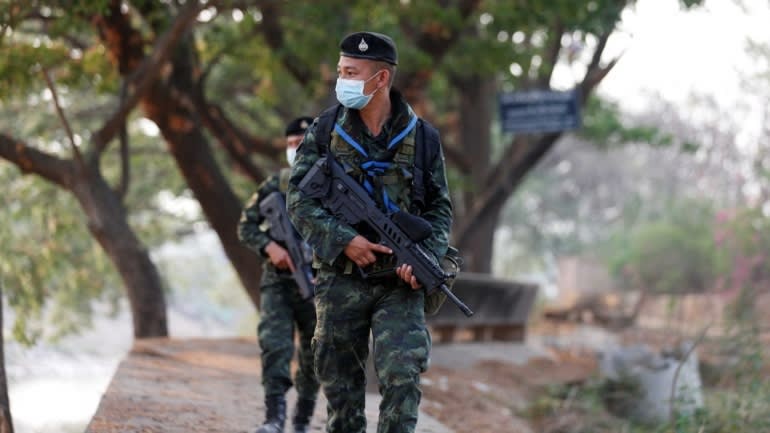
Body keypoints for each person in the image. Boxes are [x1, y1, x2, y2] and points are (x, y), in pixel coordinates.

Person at [286, 31, 453, 433]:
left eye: (350, 72)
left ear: (380, 79)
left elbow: (440, 207)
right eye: (341, 70)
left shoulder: (423, 138)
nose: (341, 79)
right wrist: (344, 240)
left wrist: (425, 258)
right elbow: (298, 199)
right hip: (341, 279)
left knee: (402, 376)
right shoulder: (325, 131)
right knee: (341, 387)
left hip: (400, 283)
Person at [238, 116, 319, 433]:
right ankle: (274, 418)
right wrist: (270, 247)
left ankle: (301, 419)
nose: (294, 150)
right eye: (289, 145)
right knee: (275, 346)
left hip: (318, 285)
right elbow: (245, 227)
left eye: (299, 144)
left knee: (315, 355)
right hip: (278, 283)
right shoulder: (276, 185)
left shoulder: (332, 185)